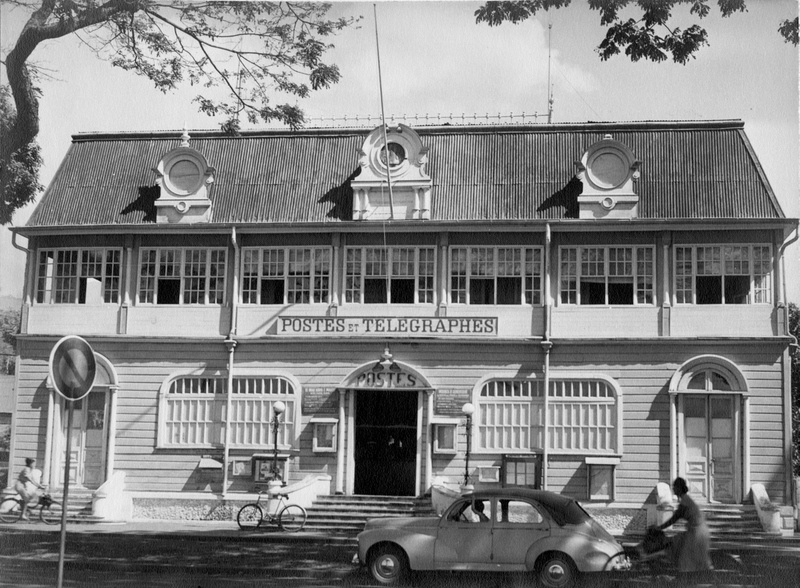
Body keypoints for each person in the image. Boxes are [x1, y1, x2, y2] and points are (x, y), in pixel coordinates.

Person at [657, 476, 712, 573]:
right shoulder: (685, 499)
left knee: (687, 557)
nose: (673, 489)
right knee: (689, 554)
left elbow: (674, 519)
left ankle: (688, 577)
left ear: (679, 488)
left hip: (697, 532)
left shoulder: (685, 502)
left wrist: (659, 528)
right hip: (697, 530)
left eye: (674, 487)